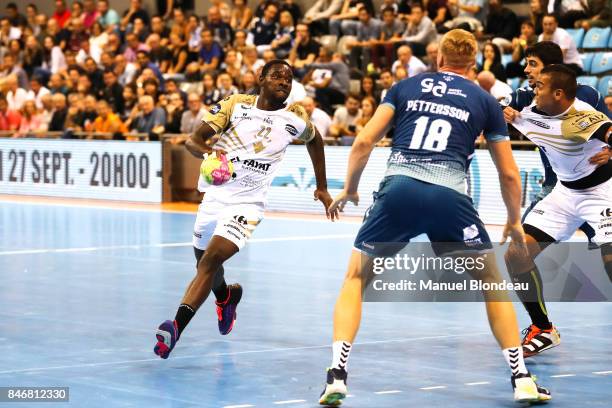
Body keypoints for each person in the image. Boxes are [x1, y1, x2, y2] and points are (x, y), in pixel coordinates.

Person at [318, 29, 551, 405]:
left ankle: (336, 375)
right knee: (492, 283)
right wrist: (512, 220)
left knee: (355, 278)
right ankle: (521, 378)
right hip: (449, 198)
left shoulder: (404, 86)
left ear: (438, 58)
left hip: (399, 191)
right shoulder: (486, 101)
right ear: (473, 64)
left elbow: (363, 142)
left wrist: (350, 188)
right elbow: (509, 173)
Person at [153, 60, 337, 359]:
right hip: (215, 196)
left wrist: (322, 187)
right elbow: (193, 141)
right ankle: (226, 296)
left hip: (248, 204)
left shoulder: (295, 116)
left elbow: (315, 141)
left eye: (289, 79)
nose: (284, 82)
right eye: (277, 76)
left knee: (211, 260)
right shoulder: (237, 105)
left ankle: (175, 327)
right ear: (260, 78)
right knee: (203, 263)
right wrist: (211, 155)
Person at [502, 42, 611, 357]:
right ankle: (543, 329)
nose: (533, 90)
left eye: (540, 86)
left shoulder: (581, 117)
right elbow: (502, 108)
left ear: (560, 95)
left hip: (602, 192)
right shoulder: (531, 110)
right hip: (564, 192)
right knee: (516, 254)